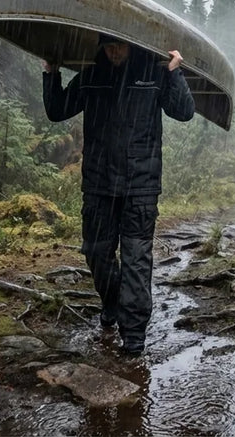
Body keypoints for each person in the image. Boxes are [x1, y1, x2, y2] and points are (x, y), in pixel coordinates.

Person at [43, 34, 195, 355]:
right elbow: (57, 110)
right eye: (108, 46)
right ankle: (111, 302)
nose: (114, 52)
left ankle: (134, 334)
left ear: (132, 44)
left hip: (141, 187)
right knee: (96, 253)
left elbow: (183, 111)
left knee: (136, 258)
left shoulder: (154, 73)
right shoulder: (91, 75)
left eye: (120, 45)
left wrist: (174, 72)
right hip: (98, 185)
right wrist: (51, 73)